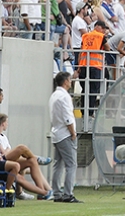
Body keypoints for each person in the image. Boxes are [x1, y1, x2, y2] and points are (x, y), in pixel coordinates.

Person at [49, 72, 82, 203]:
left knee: (58, 164)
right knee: (71, 164)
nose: (70, 82)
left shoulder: (54, 96)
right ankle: (68, 193)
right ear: (65, 82)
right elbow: (68, 117)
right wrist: (73, 132)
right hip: (65, 133)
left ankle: (57, 192)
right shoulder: (64, 97)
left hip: (56, 132)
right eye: (69, 80)